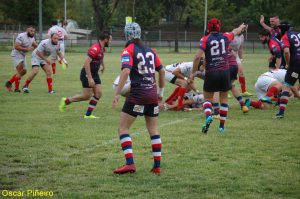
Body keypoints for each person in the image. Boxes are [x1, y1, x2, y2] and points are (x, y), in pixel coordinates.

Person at [112, 22, 165, 174]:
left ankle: (130, 164)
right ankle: (157, 166)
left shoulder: (128, 50)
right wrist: (160, 93)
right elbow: (161, 72)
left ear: (126, 35)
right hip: (152, 94)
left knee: (123, 128)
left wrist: (117, 93)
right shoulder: (151, 51)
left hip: (138, 94)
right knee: (153, 129)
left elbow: (126, 72)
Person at [191, 17, 246, 133]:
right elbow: (235, 31)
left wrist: (192, 73)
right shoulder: (226, 36)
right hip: (225, 72)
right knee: (224, 99)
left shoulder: (205, 39)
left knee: (207, 99)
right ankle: (221, 127)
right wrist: (241, 27)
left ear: (209, 28)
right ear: (219, 27)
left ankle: (208, 117)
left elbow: (197, 57)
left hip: (212, 72)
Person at [59, 31, 111, 118]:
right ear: (106, 40)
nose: (110, 42)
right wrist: (90, 78)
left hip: (95, 73)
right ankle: (66, 101)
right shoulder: (95, 48)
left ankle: (88, 115)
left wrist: (103, 66)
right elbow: (87, 63)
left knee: (98, 93)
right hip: (87, 73)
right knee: (86, 96)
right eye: (110, 40)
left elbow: (101, 57)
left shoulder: (102, 48)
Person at [275, 21, 300, 118]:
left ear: (282, 29)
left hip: (295, 65)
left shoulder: (285, 36)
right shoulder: (298, 34)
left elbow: (286, 52)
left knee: (286, 86)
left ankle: (281, 113)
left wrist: (288, 63)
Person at [5, 26, 38, 92]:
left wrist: (39, 49)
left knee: (24, 71)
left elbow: (35, 45)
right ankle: (16, 89)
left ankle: (9, 83)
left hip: (23, 55)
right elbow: (16, 46)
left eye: (34, 31)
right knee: (20, 70)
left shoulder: (32, 38)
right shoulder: (21, 36)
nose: (33, 32)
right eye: (31, 31)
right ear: (27, 30)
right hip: (16, 54)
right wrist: (27, 49)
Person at [230, 30, 252, 96]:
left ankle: (244, 91)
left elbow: (240, 48)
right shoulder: (231, 34)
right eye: (243, 27)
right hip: (228, 54)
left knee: (241, 72)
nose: (244, 29)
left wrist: (241, 58)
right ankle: (225, 91)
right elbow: (225, 44)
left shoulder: (242, 36)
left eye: (246, 28)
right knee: (228, 74)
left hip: (236, 55)